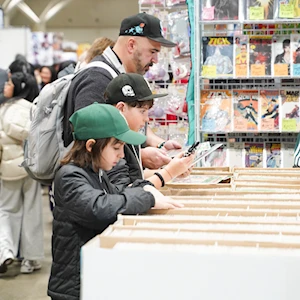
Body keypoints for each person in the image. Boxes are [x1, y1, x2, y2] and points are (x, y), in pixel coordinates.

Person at [47, 103, 185, 300]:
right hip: (74, 287)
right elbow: (99, 208)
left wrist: (147, 187)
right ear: (91, 145)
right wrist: (148, 197)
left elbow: (119, 195)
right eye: (117, 147)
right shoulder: (70, 177)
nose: (121, 155)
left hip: (90, 278)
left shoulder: (96, 173)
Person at [63, 12, 181, 170]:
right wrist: (141, 156)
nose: (155, 60)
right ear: (131, 45)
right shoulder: (96, 79)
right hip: (91, 191)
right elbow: (90, 142)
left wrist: (158, 144)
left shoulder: (116, 76)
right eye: (152, 52)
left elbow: (121, 127)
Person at [104, 73, 193, 186]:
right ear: (121, 108)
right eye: (142, 111)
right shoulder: (109, 142)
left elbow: (135, 177)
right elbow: (125, 193)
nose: (147, 119)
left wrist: (174, 170)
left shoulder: (129, 135)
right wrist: (168, 173)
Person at [0, 72, 43, 274]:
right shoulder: (32, 108)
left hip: (8, 170)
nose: (7, 85)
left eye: (10, 82)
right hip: (30, 167)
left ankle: (6, 251)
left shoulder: (3, 110)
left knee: (7, 211)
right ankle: (31, 259)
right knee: (33, 211)